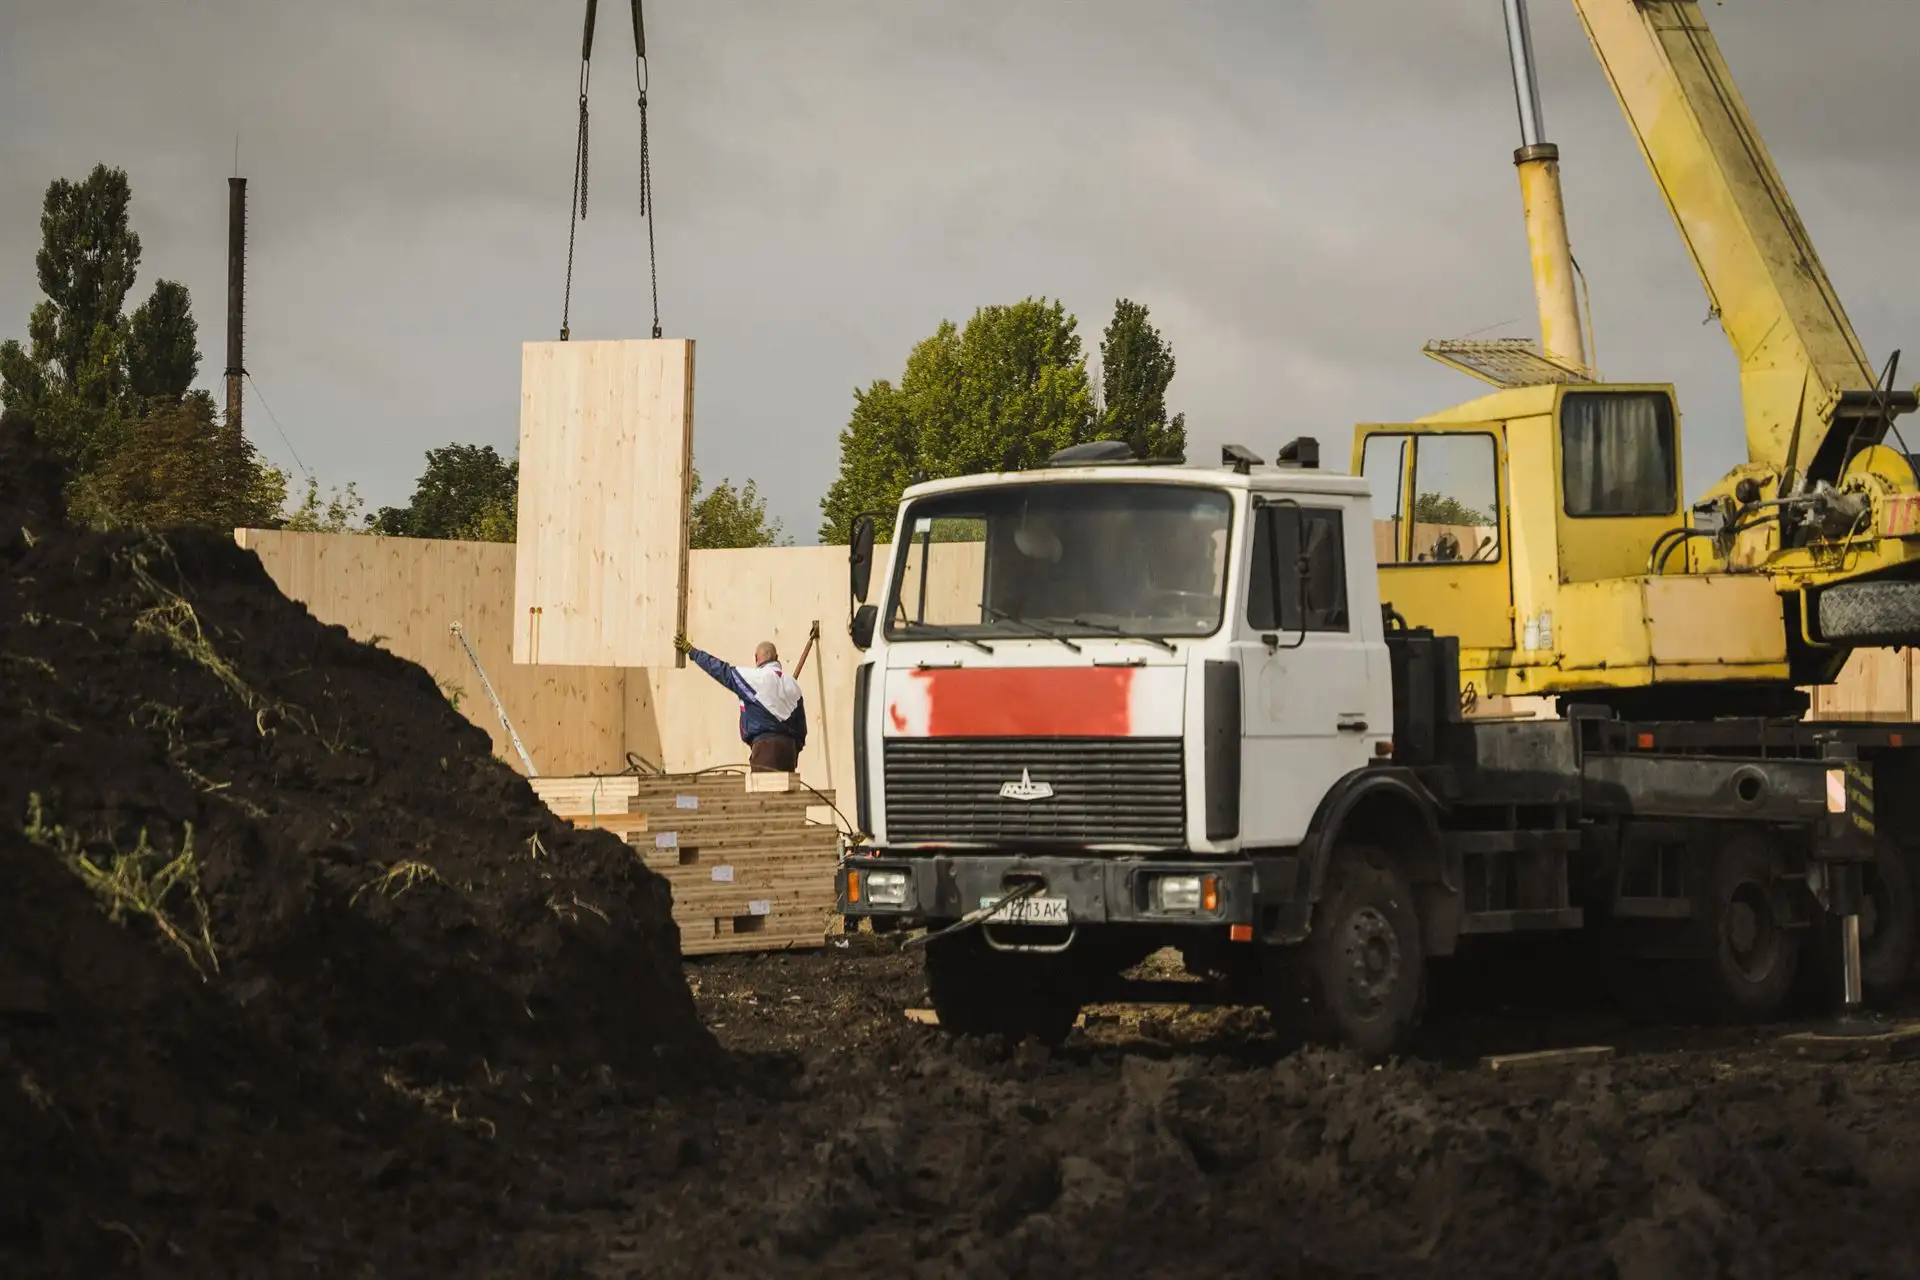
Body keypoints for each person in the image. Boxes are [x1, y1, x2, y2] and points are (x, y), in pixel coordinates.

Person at [675, 633, 808, 772]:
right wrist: (794, 751)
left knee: (764, 786)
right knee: (786, 786)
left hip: (765, 750)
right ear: (777, 657)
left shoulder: (754, 678)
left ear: (756, 658)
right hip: (789, 752)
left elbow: (720, 669)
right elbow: (801, 729)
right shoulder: (793, 686)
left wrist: (693, 652)